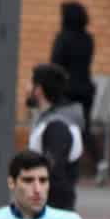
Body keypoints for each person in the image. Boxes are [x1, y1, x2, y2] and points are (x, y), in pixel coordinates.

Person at [50, 0, 105, 184]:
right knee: (83, 129)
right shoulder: (87, 39)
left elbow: (55, 64)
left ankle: (63, 165)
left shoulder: (63, 38)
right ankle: (100, 162)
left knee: (61, 127)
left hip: (67, 91)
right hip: (86, 91)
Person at [26, 63, 85, 210]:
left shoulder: (57, 125)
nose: (27, 89)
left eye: (30, 84)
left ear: (38, 90)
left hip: (54, 212)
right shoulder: (53, 120)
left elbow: (54, 172)